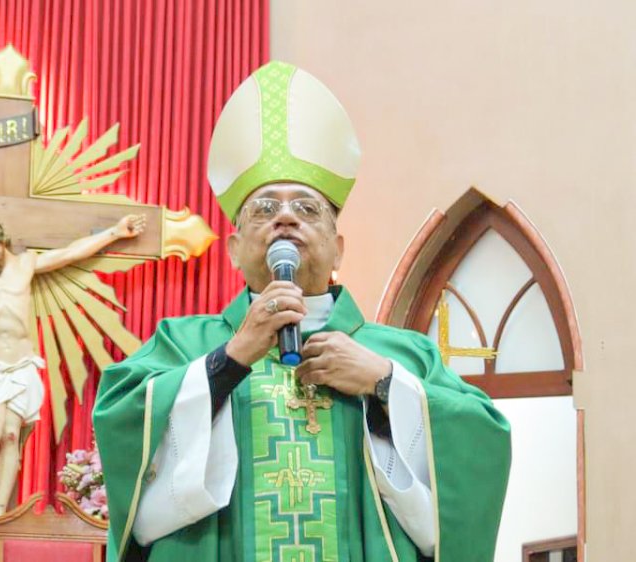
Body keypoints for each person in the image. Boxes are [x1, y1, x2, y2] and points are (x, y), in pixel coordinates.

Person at [94, 61, 511, 562]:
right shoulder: (182, 343)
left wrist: (383, 382)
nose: (286, 217)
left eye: (307, 209)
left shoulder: (402, 353)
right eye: (265, 209)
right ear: (233, 249)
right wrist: (230, 360)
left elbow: (482, 439)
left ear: (338, 249)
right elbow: (121, 420)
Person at [0, 214, 145, 517]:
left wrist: (115, 233)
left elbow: (70, 253)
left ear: (3, 242)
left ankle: (0, 513)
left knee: (11, 435)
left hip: (22, 363)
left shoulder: (26, 264)